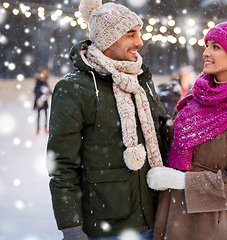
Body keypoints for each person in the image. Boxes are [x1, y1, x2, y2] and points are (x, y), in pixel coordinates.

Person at [46, 1, 170, 239]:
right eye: (130, 34)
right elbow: (61, 163)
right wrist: (70, 226)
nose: (139, 42)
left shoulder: (140, 79)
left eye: (139, 33)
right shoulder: (74, 88)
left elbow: (161, 130)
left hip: (155, 216)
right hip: (107, 224)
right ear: (107, 39)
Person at [147, 21, 227, 240]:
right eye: (206, 46)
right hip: (169, 218)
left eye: (215, 47)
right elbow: (169, 144)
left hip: (211, 227)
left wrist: (184, 182)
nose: (205, 53)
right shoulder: (194, 99)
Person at [33, 66, 52, 135]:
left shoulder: (45, 82)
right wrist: (40, 96)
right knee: (39, 116)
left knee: (46, 115)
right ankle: (38, 128)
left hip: (44, 101)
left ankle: (45, 127)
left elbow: (48, 90)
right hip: (39, 101)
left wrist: (51, 93)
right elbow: (35, 91)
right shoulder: (38, 82)